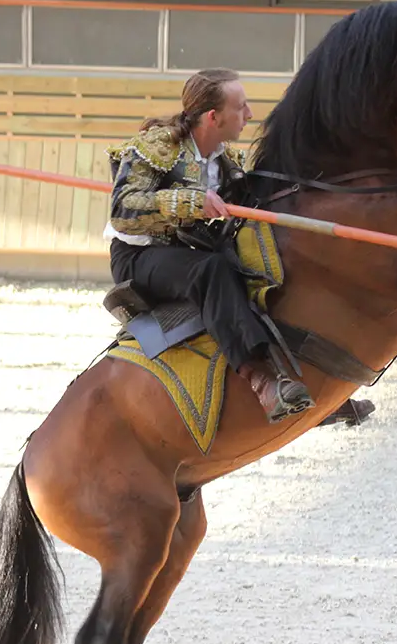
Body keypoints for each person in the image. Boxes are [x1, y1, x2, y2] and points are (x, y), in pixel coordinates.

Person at [104, 68, 373, 427]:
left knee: (269, 265)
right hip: (139, 257)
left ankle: (318, 389)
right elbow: (122, 211)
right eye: (242, 107)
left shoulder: (224, 160)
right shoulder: (158, 146)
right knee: (212, 271)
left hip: (190, 248)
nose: (249, 115)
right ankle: (261, 380)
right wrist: (191, 202)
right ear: (214, 117)